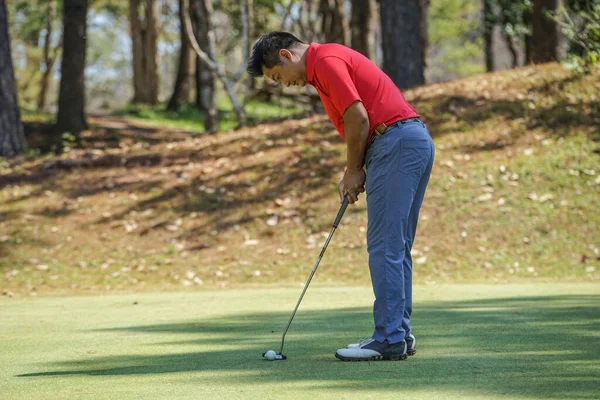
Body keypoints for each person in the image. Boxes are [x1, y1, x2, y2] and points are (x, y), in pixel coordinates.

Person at [246, 32, 435, 362]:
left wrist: (352, 170)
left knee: (386, 245)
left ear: (287, 56)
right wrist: (356, 168)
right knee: (396, 245)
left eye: (278, 76)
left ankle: (390, 338)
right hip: (407, 141)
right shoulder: (324, 65)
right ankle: (398, 335)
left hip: (396, 143)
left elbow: (357, 117)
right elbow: (358, 121)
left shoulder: (326, 61)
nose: (283, 84)